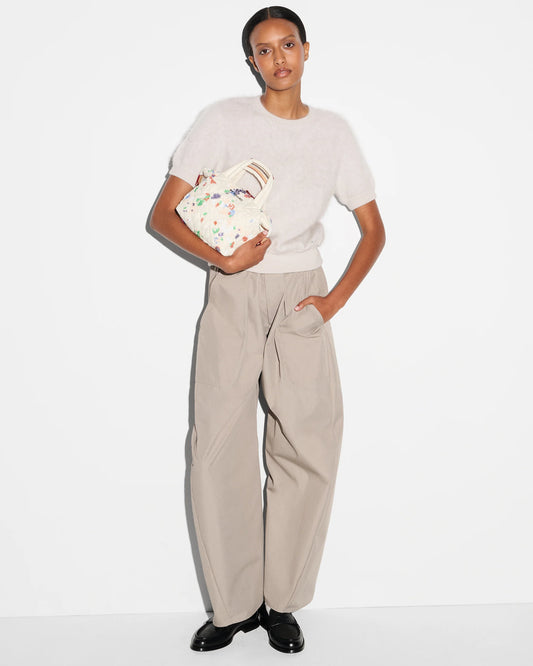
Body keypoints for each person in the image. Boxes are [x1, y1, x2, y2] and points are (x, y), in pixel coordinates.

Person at [149, 5, 386, 654]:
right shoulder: (223, 120)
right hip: (234, 292)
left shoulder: (333, 132)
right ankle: (232, 606)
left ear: (306, 50)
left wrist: (330, 303)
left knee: (307, 444)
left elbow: (373, 230)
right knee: (216, 444)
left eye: (287, 44)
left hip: (302, 294)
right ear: (250, 61)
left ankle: (280, 602)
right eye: (263, 49)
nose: (277, 57)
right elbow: (163, 214)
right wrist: (222, 261)